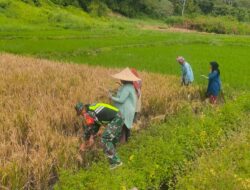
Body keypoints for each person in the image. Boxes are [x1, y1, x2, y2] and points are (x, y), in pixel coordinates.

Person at [75, 102, 124, 169]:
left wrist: (84, 143)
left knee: (105, 139)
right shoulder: (90, 109)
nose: (82, 114)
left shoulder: (89, 113)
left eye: (81, 112)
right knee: (110, 141)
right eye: (80, 114)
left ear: (83, 108)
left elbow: (90, 127)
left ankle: (116, 162)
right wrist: (91, 138)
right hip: (117, 117)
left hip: (116, 118)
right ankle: (114, 162)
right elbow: (96, 125)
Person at [110, 68, 140, 143]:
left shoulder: (127, 88)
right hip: (128, 110)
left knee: (122, 128)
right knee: (126, 128)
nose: (120, 80)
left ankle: (122, 145)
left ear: (125, 80)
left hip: (125, 111)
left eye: (121, 79)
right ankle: (127, 144)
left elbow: (121, 100)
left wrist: (111, 97)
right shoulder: (130, 87)